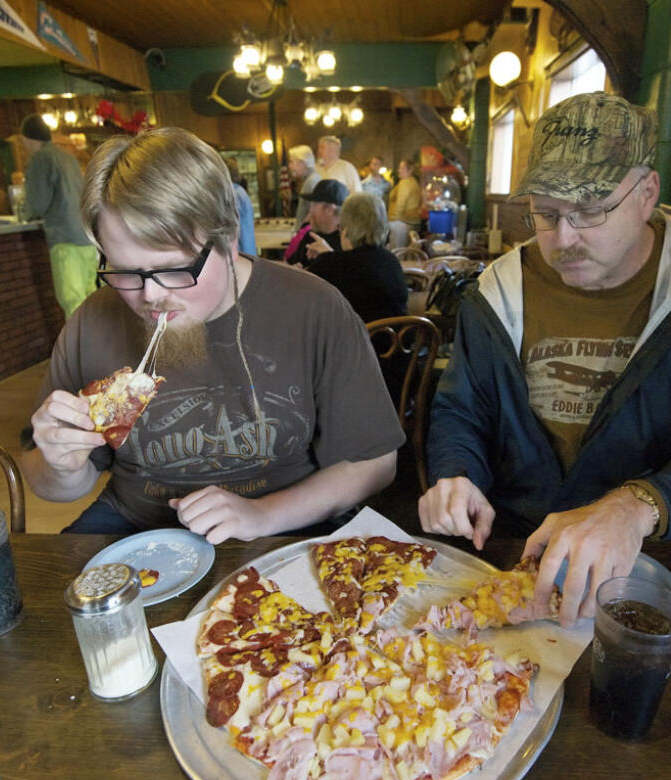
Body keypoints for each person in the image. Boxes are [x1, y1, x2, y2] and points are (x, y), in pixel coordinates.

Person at [418, 92, 671, 626]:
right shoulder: (497, 291)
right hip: (513, 553)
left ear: (648, 193)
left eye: (591, 210)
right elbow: (462, 411)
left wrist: (637, 506)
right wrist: (457, 474)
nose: (564, 238)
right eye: (546, 214)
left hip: (660, 566)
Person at [23, 127, 402, 541]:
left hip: (287, 523)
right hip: (136, 525)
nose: (150, 296)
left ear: (229, 239)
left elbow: (376, 463)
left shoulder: (314, 307)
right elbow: (51, 485)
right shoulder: (93, 320)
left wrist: (262, 515)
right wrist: (61, 466)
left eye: (173, 268)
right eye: (127, 271)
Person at [20, 114, 97, 317]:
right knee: (92, 298)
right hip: (86, 237)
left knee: (73, 301)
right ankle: (101, 346)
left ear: (28, 138)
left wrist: (25, 214)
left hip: (65, 239)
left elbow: (38, 202)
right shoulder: (67, 157)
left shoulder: (40, 158)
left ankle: (82, 348)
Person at [307, 191, 407, 325]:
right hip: (397, 343)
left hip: (354, 345)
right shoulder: (391, 261)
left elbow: (305, 304)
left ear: (346, 229)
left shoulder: (328, 265)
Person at [283, 179, 346, 269]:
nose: (310, 211)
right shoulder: (310, 236)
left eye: (314, 205)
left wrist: (329, 255)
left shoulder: (349, 241)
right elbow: (291, 264)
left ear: (330, 209)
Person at [224, 156, 257, 256]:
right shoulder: (238, 191)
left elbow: (242, 228)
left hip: (239, 252)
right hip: (243, 250)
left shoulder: (233, 193)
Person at [387, 158, 421, 248]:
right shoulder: (413, 181)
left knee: (397, 252)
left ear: (410, 170)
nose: (399, 170)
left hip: (401, 223)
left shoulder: (405, 183)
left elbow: (400, 205)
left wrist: (391, 221)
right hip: (411, 223)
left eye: (402, 168)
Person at [287, 144, 321, 229]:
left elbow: (314, 212)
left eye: (291, 162)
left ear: (302, 163)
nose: (289, 166)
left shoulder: (312, 181)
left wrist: (301, 232)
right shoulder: (310, 179)